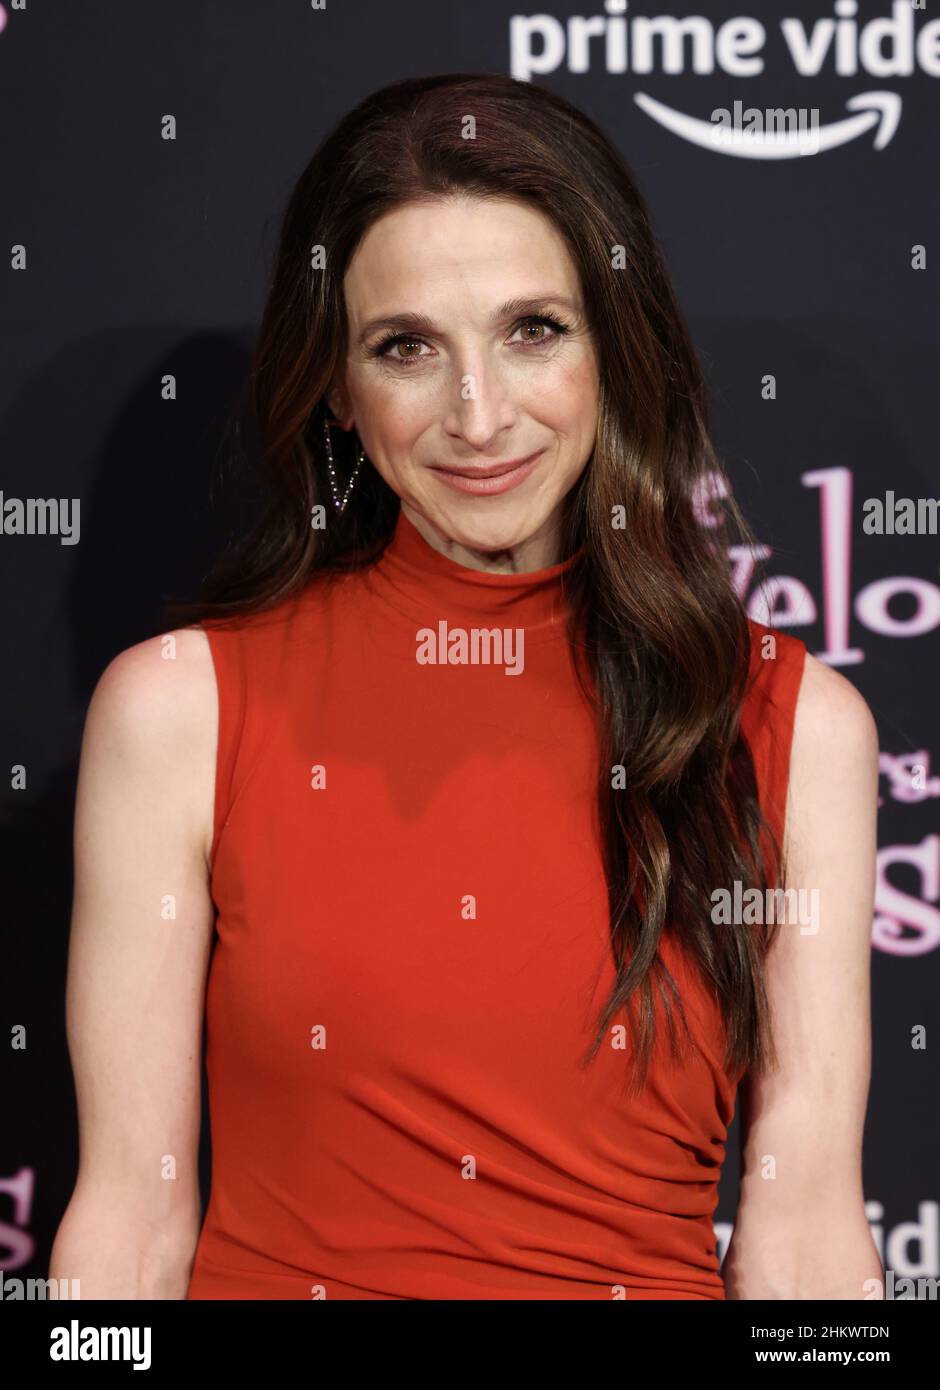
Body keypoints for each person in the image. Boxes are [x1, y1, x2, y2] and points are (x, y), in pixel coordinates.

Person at [50, 73, 882, 1300]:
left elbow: (805, 1231)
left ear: (614, 341)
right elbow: (128, 1218)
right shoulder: (179, 712)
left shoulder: (788, 723)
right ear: (337, 384)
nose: (479, 416)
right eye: (407, 349)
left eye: (533, 330)